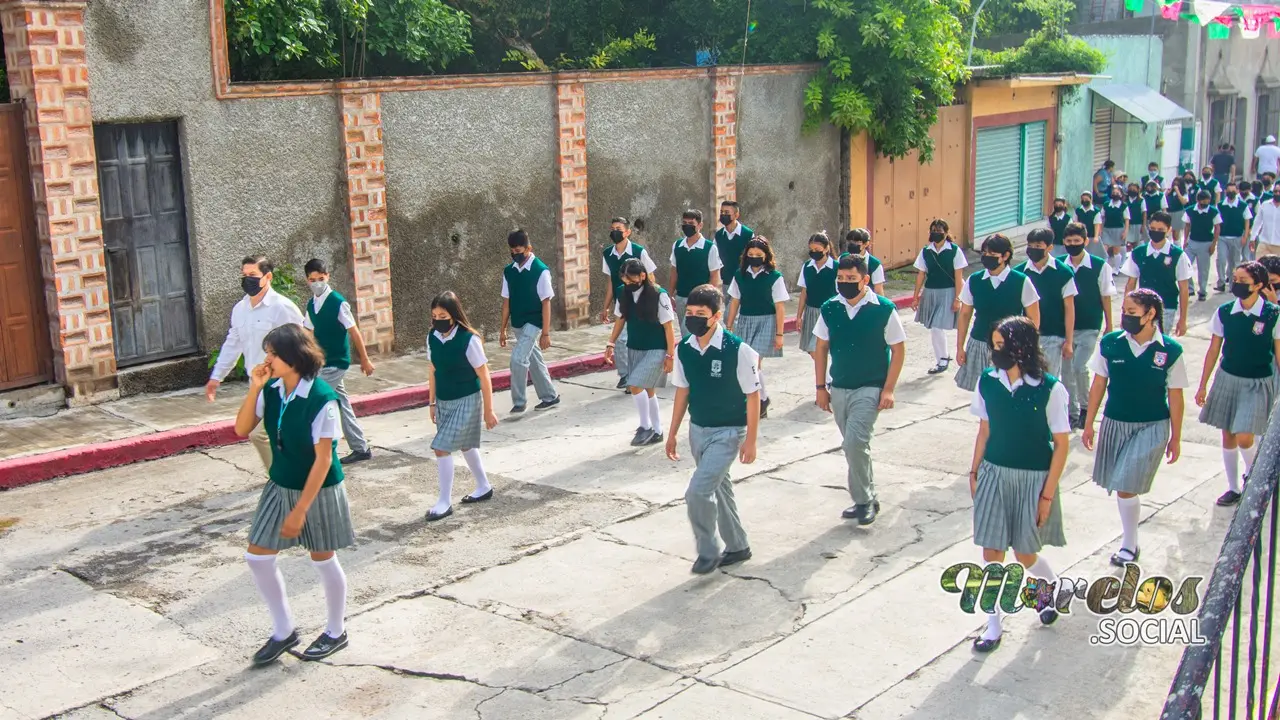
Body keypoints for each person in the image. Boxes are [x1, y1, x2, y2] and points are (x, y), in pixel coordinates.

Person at [233, 324, 354, 665]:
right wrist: (255, 388)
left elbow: (323, 459)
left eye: (272, 353)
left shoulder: (322, 399)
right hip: (281, 482)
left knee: (323, 558)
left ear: (293, 357)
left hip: (318, 489)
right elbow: (241, 428)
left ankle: (335, 630)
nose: (267, 359)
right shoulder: (272, 390)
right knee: (257, 557)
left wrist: (301, 509)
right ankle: (284, 630)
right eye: (267, 352)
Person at [967, 316, 1070, 653]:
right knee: (991, 553)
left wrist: (1047, 495)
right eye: (994, 345)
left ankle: (1049, 588)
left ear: (1022, 347)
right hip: (994, 474)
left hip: (1032, 478)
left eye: (1002, 345)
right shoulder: (987, 381)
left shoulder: (1050, 388)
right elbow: (984, 430)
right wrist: (974, 472)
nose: (995, 352)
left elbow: (1061, 443)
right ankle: (993, 626)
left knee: (1025, 553)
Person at [1083, 288, 1187, 567]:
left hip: (1152, 425)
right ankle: (1131, 541)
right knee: (1121, 487)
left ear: (1151, 314)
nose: (1125, 317)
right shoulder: (1111, 343)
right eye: (1124, 312)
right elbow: (1098, 384)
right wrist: (1089, 423)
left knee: (1127, 484)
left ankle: (1129, 545)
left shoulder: (1170, 350)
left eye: (1132, 312)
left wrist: (1176, 437)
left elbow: (1175, 396)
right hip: (1116, 422)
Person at [666, 284, 760, 575]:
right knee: (719, 488)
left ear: (716, 316)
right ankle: (738, 545)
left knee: (697, 492)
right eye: (689, 312)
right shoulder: (684, 349)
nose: (693, 318)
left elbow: (753, 395)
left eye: (700, 314)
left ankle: (708, 550)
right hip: (698, 430)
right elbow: (683, 391)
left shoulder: (738, 350)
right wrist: (672, 434)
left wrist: (752, 441)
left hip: (729, 432)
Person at [815, 255, 907, 526]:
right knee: (853, 447)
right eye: (840, 279)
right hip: (840, 385)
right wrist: (820, 387)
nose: (844, 283)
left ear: (865, 280)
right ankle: (868, 495)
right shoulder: (830, 308)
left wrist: (888, 389)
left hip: (871, 386)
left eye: (851, 279)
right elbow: (821, 347)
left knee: (855, 443)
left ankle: (864, 501)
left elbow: (898, 349)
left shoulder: (883, 309)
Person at [208, 255, 306, 472]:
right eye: (244, 275)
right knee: (266, 433)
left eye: (253, 275)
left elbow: (303, 343)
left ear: (268, 276)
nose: (247, 280)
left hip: (283, 383)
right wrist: (217, 376)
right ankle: (286, 473)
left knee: (259, 433)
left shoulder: (282, 307)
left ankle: (281, 477)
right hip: (259, 384)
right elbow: (233, 343)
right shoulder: (240, 309)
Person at [1195, 261, 1280, 507]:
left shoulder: (1273, 315)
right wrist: (1203, 385)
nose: (1237, 284)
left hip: (1257, 382)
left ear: (1259, 285)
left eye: (1244, 281)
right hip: (1228, 378)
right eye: (1235, 279)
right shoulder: (1224, 312)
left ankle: (1254, 478)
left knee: (1245, 436)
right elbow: (1213, 350)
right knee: (1228, 434)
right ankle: (1233, 487)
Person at [425, 292, 499, 522]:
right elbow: (433, 370)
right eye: (434, 315)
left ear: (454, 315)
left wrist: (488, 410)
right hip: (444, 400)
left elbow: (484, 376)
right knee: (466, 445)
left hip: (467, 398)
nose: (438, 320)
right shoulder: (432, 337)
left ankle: (444, 502)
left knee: (441, 447)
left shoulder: (470, 339)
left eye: (443, 315)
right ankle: (484, 486)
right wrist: (432, 401)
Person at [302, 259, 375, 464]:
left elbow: (354, 331)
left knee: (313, 399)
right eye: (312, 279)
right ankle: (361, 447)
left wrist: (365, 360)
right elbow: (307, 331)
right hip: (322, 363)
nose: (317, 283)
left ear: (328, 277)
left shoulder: (337, 302)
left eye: (321, 278)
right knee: (342, 404)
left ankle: (313, 450)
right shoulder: (312, 304)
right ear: (307, 280)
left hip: (336, 363)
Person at [955, 234, 1041, 391]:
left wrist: (1028, 348)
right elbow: (965, 315)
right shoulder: (974, 280)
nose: (987, 257)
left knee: (1008, 389)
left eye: (992, 254)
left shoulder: (1021, 281)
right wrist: (960, 347)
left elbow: (1033, 319)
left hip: (1010, 346)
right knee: (982, 391)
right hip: (979, 342)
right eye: (985, 253)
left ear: (1006, 255)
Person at [606, 258, 677, 446]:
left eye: (631, 280)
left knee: (635, 384)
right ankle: (658, 430)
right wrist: (610, 343)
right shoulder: (623, 293)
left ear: (643, 276)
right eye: (625, 281)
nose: (628, 284)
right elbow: (620, 319)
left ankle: (645, 426)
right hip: (634, 347)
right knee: (648, 390)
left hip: (656, 348)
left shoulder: (659, 295)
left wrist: (670, 355)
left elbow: (669, 328)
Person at [726, 237, 789, 418]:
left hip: (766, 322)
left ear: (766, 256)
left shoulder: (774, 277)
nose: (754, 257)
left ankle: (759, 399)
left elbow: (780, 307)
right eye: (751, 254)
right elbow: (735, 301)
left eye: (758, 255)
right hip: (746, 321)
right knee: (746, 362)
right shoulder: (740, 275)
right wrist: (729, 325)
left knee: (755, 362)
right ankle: (762, 397)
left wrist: (779, 334)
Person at [1061, 222, 1115, 429]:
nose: (1073, 245)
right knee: (1066, 371)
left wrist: (1110, 324)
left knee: (1079, 367)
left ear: (1085, 241)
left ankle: (1085, 407)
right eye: (1069, 241)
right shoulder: (1060, 266)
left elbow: (1106, 296)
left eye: (1077, 241)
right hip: (1065, 328)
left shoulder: (1100, 266)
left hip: (1089, 326)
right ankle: (1071, 410)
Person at [500, 229, 560, 414]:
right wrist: (502, 329)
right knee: (534, 359)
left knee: (518, 359)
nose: (515, 254)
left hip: (534, 322)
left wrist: (546, 333)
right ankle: (550, 397)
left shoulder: (540, 271)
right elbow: (506, 302)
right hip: (517, 323)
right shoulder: (509, 272)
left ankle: (519, 402)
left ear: (529, 248)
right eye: (512, 250)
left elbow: (546, 303)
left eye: (519, 250)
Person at [602, 218, 658, 392]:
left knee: (630, 339)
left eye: (618, 229)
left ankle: (634, 378)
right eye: (612, 229)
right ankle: (625, 375)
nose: (615, 232)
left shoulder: (638, 251)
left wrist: (649, 298)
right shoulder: (607, 254)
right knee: (620, 339)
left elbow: (651, 277)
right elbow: (610, 282)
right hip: (622, 300)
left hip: (639, 301)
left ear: (627, 232)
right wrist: (605, 306)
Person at [1015, 229, 1078, 382]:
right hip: (1024, 336)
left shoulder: (1063, 272)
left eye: (1038, 245)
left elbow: (1069, 308)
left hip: (1053, 335)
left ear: (1049, 247)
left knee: (1049, 378)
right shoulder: (1019, 273)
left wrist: (1069, 341)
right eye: (1030, 245)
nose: (1033, 249)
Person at [911, 219, 968, 374]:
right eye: (933, 230)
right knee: (934, 327)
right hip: (931, 292)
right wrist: (916, 296)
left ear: (946, 232)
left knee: (937, 326)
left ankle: (943, 359)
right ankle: (942, 357)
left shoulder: (955, 251)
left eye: (939, 230)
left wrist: (958, 298)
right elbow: (921, 274)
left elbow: (958, 276)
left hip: (948, 291)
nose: (936, 233)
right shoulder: (925, 252)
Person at [1122, 211, 1191, 335]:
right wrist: (1125, 310)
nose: (1156, 232)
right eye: (1153, 228)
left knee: (1160, 343)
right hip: (1142, 307)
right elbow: (1131, 284)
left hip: (1167, 307)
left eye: (1160, 229)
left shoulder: (1178, 255)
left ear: (1169, 230)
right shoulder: (1138, 253)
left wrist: (1183, 319)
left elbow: (1184, 289)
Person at [669, 209, 724, 337]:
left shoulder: (709, 248)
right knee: (686, 332)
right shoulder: (677, 246)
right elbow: (674, 272)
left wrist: (709, 297)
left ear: (700, 225)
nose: (687, 226)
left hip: (699, 299)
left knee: (690, 331)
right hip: (681, 297)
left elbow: (714, 276)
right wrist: (670, 294)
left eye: (691, 223)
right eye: (685, 223)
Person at [796, 231, 838, 355]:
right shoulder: (807, 266)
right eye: (811, 249)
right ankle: (824, 374)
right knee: (811, 349)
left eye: (817, 249)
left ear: (826, 249)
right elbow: (804, 291)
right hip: (810, 311)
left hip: (828, 312)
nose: (814, 252)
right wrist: (799, 315)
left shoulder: (836, 268)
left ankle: (825, 374)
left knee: (819, 348)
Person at [1183, 189, 1223, 301]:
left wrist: (1214, 244)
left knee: (1203, 269)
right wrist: (1185, 240)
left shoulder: (1213, 211)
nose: (1205, 203)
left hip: (1206, 243)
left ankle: (1202, 291)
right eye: (1203, 201)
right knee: (1186, 265)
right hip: (1192, 242)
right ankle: (1190, 289)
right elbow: (1187, 226)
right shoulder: (1190, 210)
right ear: (1198, 200)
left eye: (1207, 201)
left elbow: (1217, 228)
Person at [1215, 183, 1254, 293]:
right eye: (1229, 190)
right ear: (1225, 192)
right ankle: (1221, 282)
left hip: (1237, 237)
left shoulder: (1242, 205)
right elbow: (1216, 222)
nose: (1231, 193)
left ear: (1237, 191)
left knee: (1235, 262)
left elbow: (1247, 221)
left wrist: (1245, 236)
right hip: (1223, 237)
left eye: (1233, 190)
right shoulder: (1220, 205)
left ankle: (1234, 284)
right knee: (1221, 259)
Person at [714, 201, 754, 285]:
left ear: (736, 215)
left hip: (744, 281)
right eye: (721, 212)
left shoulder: (748, 234)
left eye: (727, 212)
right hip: (726, 282)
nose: (723, 215)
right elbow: (715, 257)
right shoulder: (719, 235)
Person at [841, 228, 887, 295]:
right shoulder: (842, 258)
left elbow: (878, 291)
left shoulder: (874, 264)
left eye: (857, 242)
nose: (852, 244)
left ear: (866, 244)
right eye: (850, 242)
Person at [1100, 185, 1129, 270]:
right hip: (1107, 229)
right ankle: (1104, 268)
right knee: (1104, 250)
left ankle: (1116, 269)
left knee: (1116, 251)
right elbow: (1102, 217)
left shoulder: (1124, 206)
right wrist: (1100, 229)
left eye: (1117, 193)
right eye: (1113, 192)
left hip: (1118, 229)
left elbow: (1127, 219)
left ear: (1121, 194)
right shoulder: (1106, 205)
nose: (1115, 194)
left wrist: (1125, 231)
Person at [1253, 191, 1280, 258]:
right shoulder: (1265, 205)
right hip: (1264, 243)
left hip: (1278, 245)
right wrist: (1252, 238)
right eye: (1275, 191)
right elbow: (1257, 222)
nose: (1277, 193)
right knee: (1260, 266)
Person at [1076, 191, 1103, 256]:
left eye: (1086, 199)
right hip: (1081, 235)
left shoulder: (1096, 211)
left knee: (1092, 253)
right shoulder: (1078, 210)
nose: (1084, 201)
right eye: (1083, 199)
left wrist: (1096, 236)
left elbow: (1097, 224)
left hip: (1091, 235)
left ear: (1090, 200)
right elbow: (1075, 222)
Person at [1166, 178, 1190, 246]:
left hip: (1178, 213)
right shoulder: (1169, 192)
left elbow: (1184, 202)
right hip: (1169, 213)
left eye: (1177, 183)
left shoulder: (1184, 193)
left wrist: (1177, 191)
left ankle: (1178, 247)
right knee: (1168, 233)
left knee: (1176, 234)